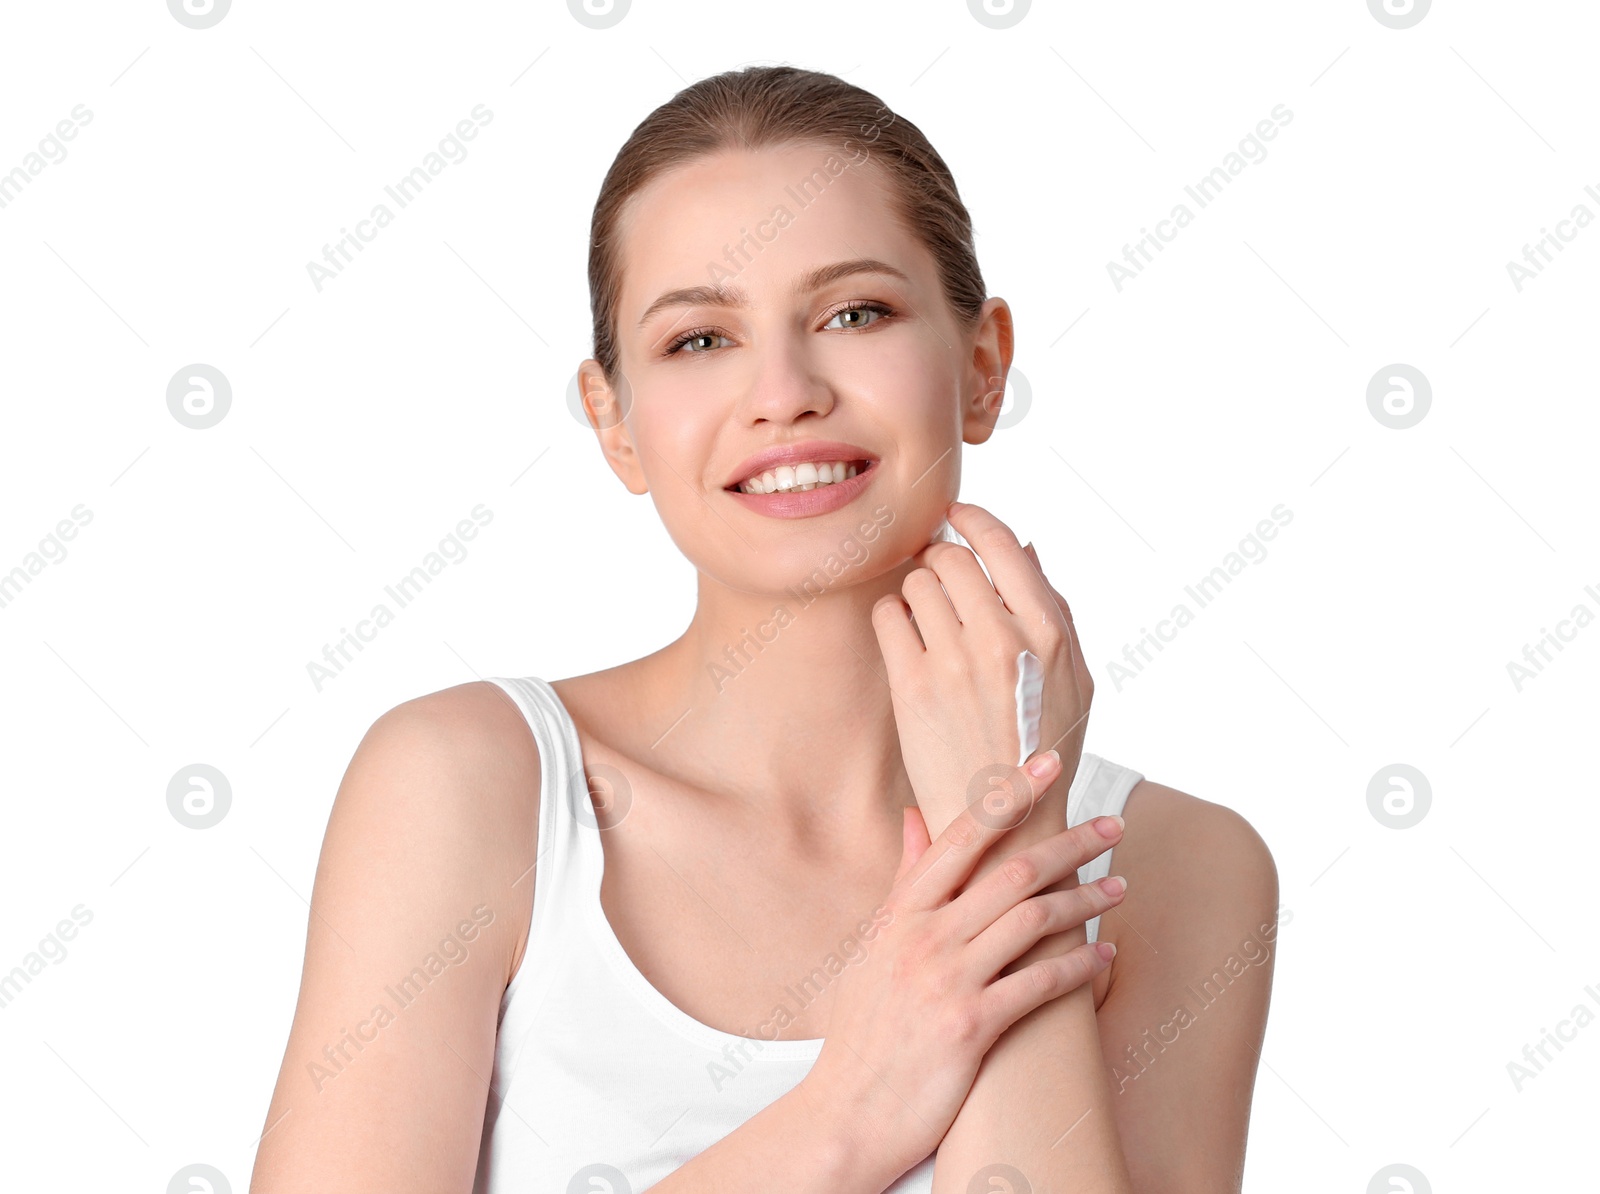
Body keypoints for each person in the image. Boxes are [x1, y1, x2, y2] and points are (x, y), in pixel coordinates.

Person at [249, 65, 1279, 1194]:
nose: (782, 392)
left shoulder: (1178, 870)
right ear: (617, 423)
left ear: (981, 366)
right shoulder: (470, 787)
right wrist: (856, 1104)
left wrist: (1005, 839)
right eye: (698, 340)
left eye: (854, 313)